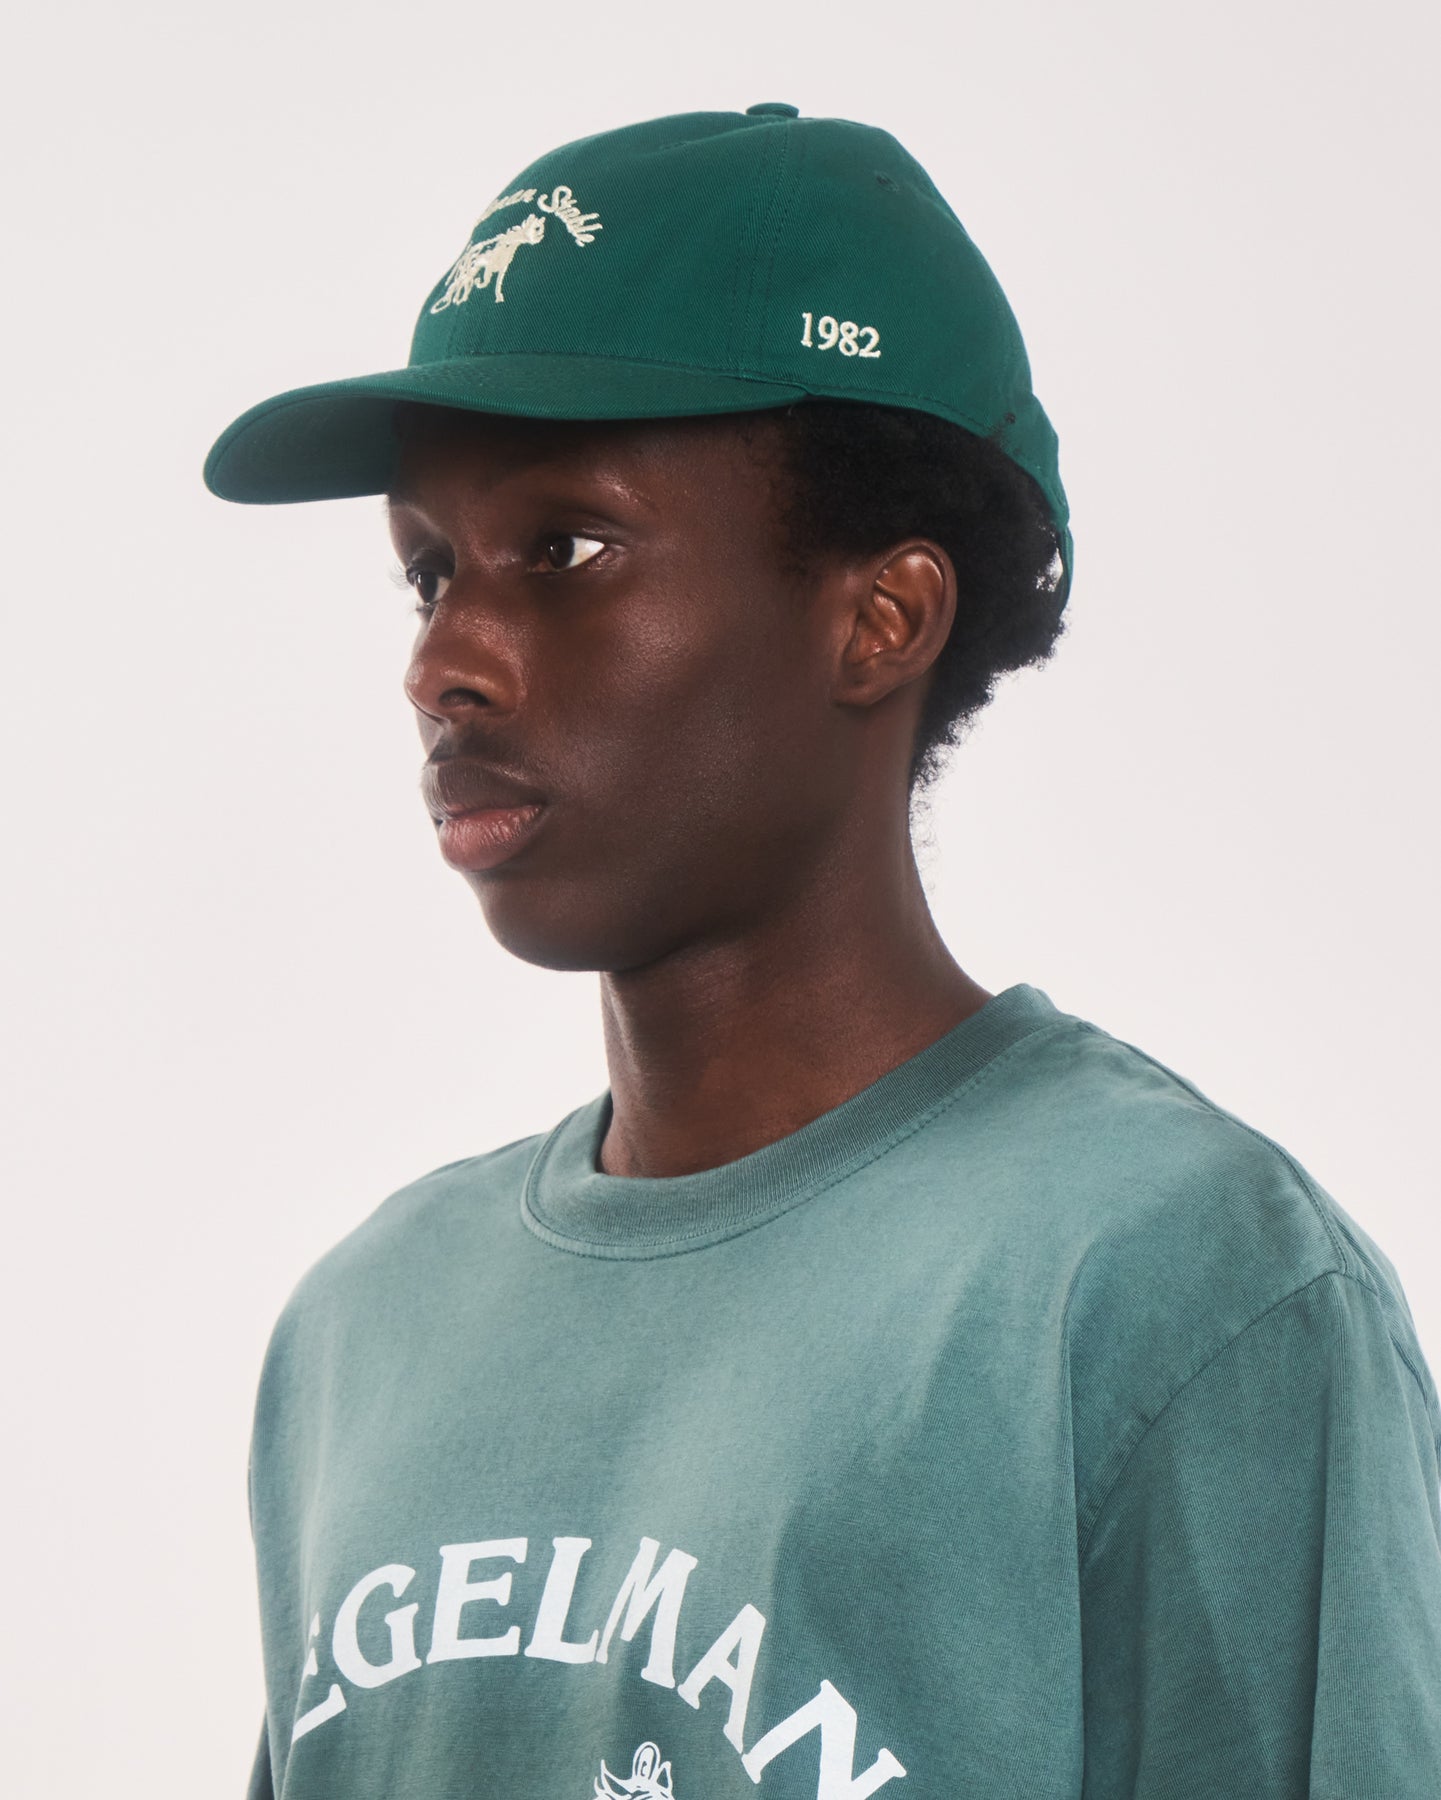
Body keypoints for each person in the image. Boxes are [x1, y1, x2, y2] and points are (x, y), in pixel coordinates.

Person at [204, 102, 1441, 1800]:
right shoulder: (362, 1332)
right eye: (429, 573)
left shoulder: (1164, 1283)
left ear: (880, 617)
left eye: (564, 550)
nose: (446, 663)